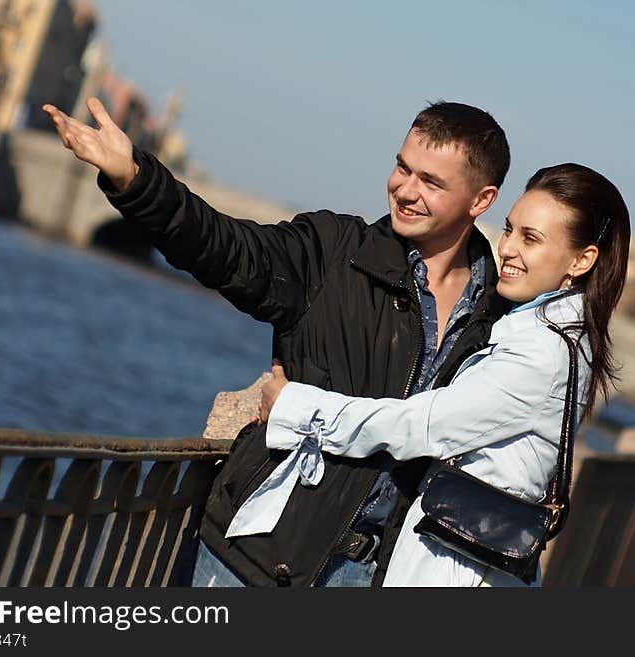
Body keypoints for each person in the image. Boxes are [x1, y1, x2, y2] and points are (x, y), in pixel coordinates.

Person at [42, 97, 512, 587]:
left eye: (431, 182)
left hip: (372, 578)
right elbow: (224, 248)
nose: (405, 190)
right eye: (402, 167)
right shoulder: (334, 253)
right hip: (254, 556)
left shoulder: (494, 320)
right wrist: (135, 178)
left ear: (481, 201)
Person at [253, 163, 631, 586]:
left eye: (531, 239)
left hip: (459, 572)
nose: (507, 249)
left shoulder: (542, 354)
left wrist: (294, 406)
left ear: (582, 261)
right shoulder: (559, 338)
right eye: (509, 230)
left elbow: (419, 426)